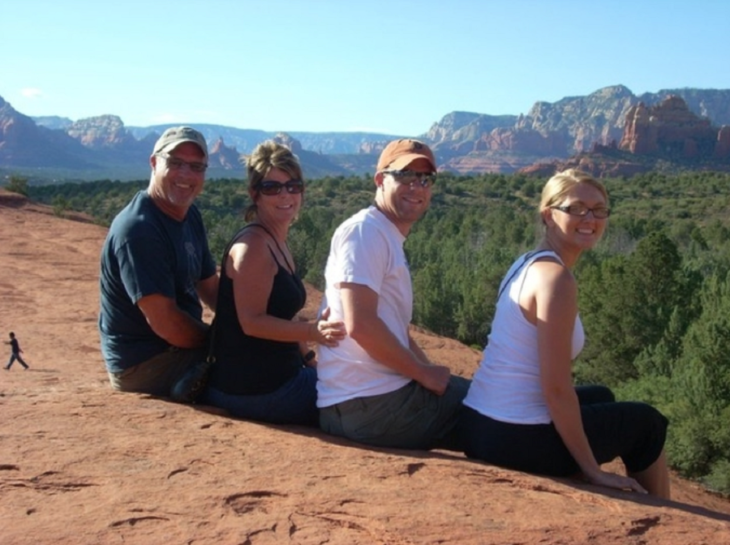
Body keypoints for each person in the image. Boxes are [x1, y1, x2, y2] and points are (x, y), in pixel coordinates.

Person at [458, 169, 670, 498]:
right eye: (576, 208)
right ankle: (666, 518)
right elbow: (556, 388)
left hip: (479, 424)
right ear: (548, 215)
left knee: (601, 395)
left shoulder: (527, 263)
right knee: (647, 423)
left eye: (599, 209)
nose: (590, 218)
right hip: (513, 437)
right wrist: (592, 471)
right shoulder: (556, 280)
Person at [316, 139, 470, 450]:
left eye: (425, 179)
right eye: (405, 176)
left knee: (481, 399)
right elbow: (362, 325)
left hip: (367, 402)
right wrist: (423, 375)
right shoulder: (365, 232)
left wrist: (429, 373)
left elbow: (393, 328)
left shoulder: (384, 234)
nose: (417, 187)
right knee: (497, 410)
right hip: (370, 407)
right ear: (379, 180)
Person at [201, 141, 345, 426]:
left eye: (293, 186)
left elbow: (280, 313)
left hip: (277, 378)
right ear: (254, 194)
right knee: (362, 398)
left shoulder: (274, 239)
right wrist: (312, 331)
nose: (285, 195)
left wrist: (307, 356)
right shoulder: (252, 247)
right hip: (255, 390)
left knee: (354, 382)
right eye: (272, 187)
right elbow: (252, 322)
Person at [98, 126, 219, 396]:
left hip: (176, 348)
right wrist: (219, 341)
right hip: (144, 363)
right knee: (259, 373)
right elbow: (166, 323)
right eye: (175, 163)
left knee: (262, 353)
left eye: (196, 167)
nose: (186, 174)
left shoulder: (190, 214)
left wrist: (248, 323)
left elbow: (211, 288)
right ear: (154, 163)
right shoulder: (139, 229)